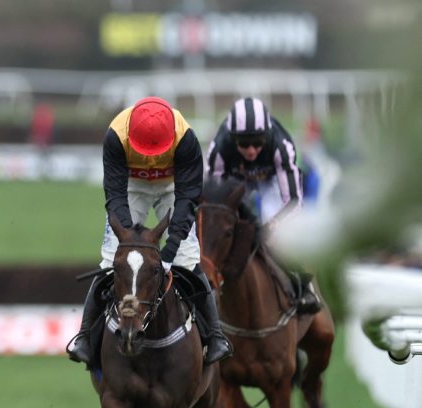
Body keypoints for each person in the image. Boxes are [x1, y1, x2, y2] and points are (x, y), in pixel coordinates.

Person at [66, 96, 233, 367]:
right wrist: (127, 237)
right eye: (145, 150)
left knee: (188, 258)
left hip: (173, 187)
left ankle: (215, 337)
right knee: (110, 260)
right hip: (132, 186)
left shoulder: (186, 138)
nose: (152, 158)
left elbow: (188, 198)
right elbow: (115, 195)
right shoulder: (116, 135)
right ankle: (85, 337)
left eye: (157, 151)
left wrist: (170, 249)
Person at [207, 97, 322, 313]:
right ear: (233, 139)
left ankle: (303, 286)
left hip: (271, 182)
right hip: (236, 182)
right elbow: (213, 202)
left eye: (258, 142)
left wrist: (272, 226)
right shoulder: (219, 149)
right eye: (244, 143)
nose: (251, 150)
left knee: (275, 232)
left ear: (267, 136)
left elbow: (293, 201)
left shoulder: (281, 145)